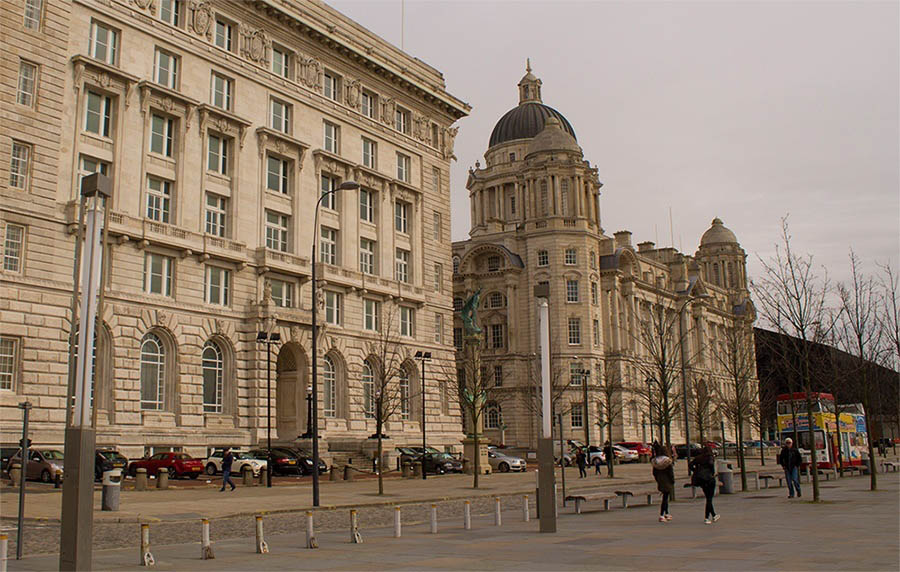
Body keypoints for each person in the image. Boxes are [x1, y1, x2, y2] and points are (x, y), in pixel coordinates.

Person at [690, 444, 718, 524]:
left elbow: (690, 465)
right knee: (709, 499)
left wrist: (695, 470)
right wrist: (711, 474)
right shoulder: (710, 457)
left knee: (708, 498)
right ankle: (706, 518)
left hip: (701, 479)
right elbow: (711, 466)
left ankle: (714, 515)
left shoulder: (698, 458)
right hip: (709, 479)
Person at [651, 443, 675, 522]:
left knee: (665, 496)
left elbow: (654, 473)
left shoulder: (655, 461)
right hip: (667, 480)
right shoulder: (667, 461)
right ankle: (661, 515)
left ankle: (667, 513)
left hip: (660, 480)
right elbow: (670, 473)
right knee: (665, 498)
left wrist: (658, 479)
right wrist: (672, 480)